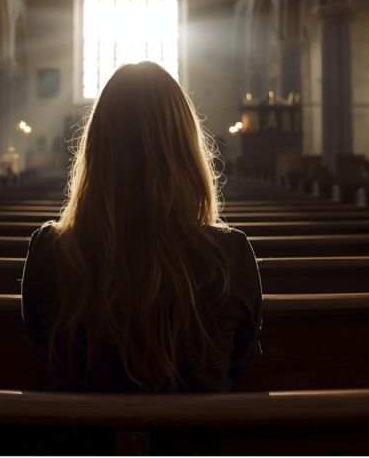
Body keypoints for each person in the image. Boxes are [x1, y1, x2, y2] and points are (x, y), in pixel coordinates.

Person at [21, 61, 262, 393]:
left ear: (97, 149)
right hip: (196, 441)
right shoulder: (231, 255)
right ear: (186, 151)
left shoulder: (49, 252)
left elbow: (41, 355)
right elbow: (241, 364)